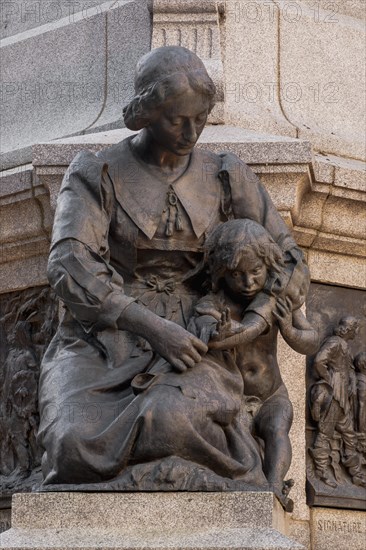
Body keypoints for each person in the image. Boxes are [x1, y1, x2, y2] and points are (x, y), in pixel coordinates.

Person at [37, 46, 309, 491]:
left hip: (198, 336)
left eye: (200, 119)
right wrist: (150, 326)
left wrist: (253, 320)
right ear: (146, 112)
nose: (190, 132)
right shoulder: (96, 172)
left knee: (170, 419)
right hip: (106, 336)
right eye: (175, 119)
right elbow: (69, 262)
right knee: (70, 442)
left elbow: (289, 259)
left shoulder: (227, 175)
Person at [188, 219, 318, 509]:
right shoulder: (213, 304)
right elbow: (204, 330)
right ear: (222, 274)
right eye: (237, 275)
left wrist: (289, 330)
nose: (248, 282)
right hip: (234, 396)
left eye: (256, 272)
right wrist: (215, 332)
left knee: (276, 429)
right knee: (241, 449)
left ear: (268, 267)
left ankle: (274, 489)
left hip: (272, 393)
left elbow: (311, 341)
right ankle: (255, 488)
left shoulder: (277, 300)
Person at [310, 317, 366, 488]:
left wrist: (348, 382)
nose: (357, 332)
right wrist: (329, 379)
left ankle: (356, 474)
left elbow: (348, 368)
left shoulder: (344, 345)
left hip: (343, 399)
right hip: (334, 395)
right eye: (355, 328)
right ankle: (320, 471)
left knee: (349, 435)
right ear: (349, 329)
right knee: (325, 432)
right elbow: (320, 360)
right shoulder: (334, 342)